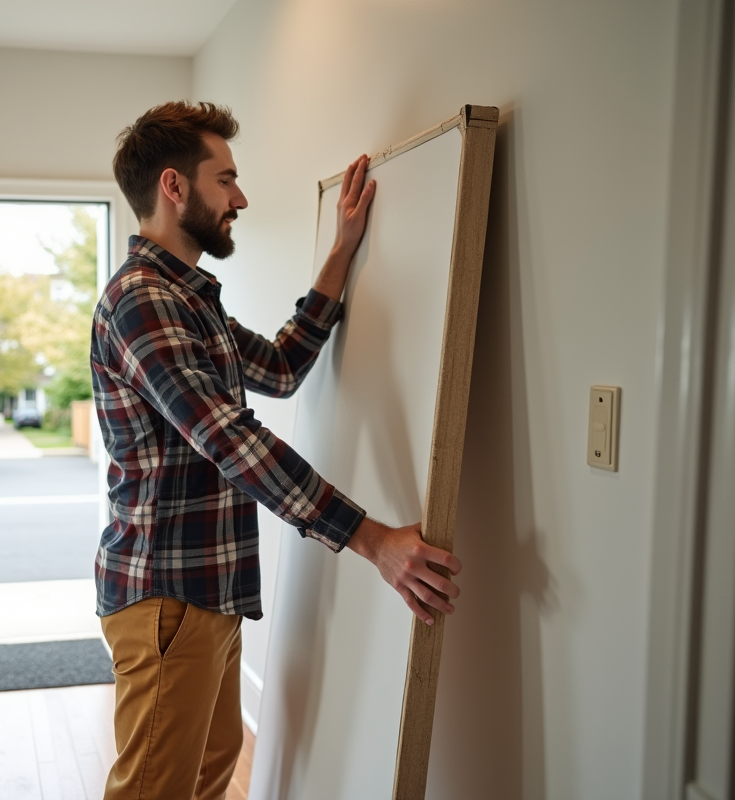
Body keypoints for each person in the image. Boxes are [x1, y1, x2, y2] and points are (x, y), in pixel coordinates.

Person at [91, 101, 463, 800]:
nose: (240, 197)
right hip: (167, 597)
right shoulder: (142, 300)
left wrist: (341, 254)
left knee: (206, 772)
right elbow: (230, 438)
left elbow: (282, 368)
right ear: (175, 187)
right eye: (225, 178)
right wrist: (375, 540)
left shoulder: (191, 301)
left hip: (207, 593)